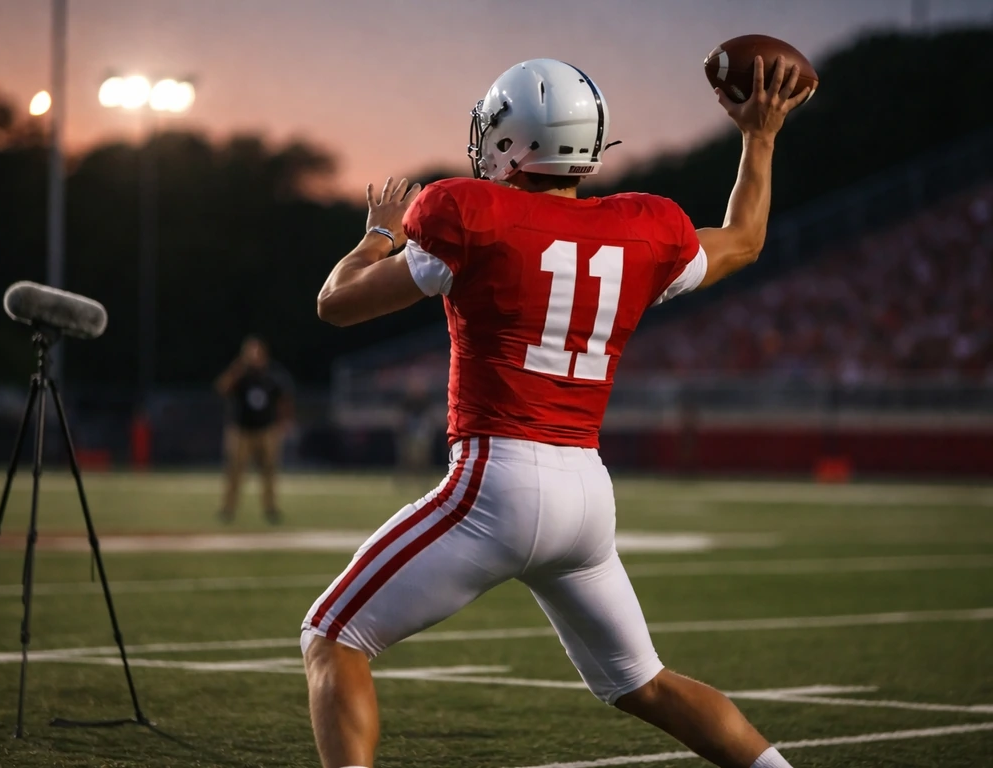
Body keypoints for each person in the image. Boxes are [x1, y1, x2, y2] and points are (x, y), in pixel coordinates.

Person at [305, 56, 810, 768]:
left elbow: (336, 303)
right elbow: (746, 239)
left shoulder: (468, 211)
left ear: (512, 142)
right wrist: (759, 138)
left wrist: (379, 234)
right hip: (585, 495)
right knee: (645, 683)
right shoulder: (644, 228)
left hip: (496, 483)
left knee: (333, 638)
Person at [215, 336, 293, 524]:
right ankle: (228, 508)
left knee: (269, 472)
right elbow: (222, 388)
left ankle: (270, 508)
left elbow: (283, 400)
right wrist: (239, 366)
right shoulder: (240, 376)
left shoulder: (271, 376)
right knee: (235, 471)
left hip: (266, 430)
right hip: (241, 431)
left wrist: (283, 422)